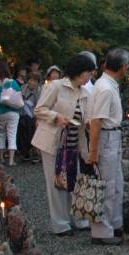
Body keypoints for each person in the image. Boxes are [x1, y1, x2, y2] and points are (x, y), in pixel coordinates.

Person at [32, 53, 97, 236]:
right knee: (57, 182)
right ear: (79, 72)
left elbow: (85, 122)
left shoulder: (85, 93)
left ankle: (79, 218)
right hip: (53, 141)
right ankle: (60, 224)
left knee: (75, 179)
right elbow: (39, 109)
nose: (89, 78)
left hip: (73, 142)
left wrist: (87, 150)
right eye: (88, 74)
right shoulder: (56, 86)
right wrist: (56, 116)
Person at [86, 48, 129, 246]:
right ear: (122, 67)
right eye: (127, 65)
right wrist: (93, 152)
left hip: (112, 136)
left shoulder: (107, 84)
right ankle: (102, 230)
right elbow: (96, 121)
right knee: (106, 184)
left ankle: (114, 222)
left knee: (116, 182)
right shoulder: (105, 88)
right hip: (106, 137)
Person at [0, 61, 22, 166]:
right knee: (12, 135)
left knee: (1, 134)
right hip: (13, 112)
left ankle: (1, 158)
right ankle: (11, 161)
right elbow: (19, 96)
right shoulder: (13, 82)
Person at [18, 72, 42, 163]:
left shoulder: (39, 90)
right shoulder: (23, 88)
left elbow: (40, 104)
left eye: (35, 80)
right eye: (31, 80)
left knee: (34, 134)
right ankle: (26, 152)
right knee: (24, 133)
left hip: (35, 115)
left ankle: (35, 153)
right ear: (28, 80)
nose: (33, 82)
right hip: (23, 114)